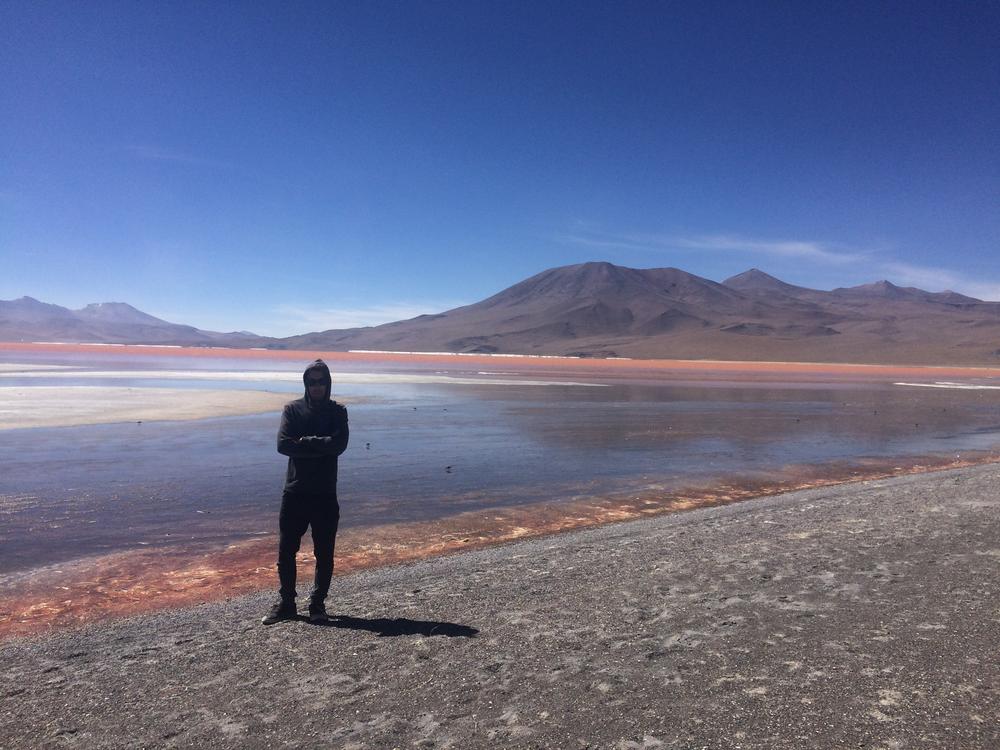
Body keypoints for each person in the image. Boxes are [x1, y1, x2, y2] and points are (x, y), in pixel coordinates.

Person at [262, 359, 349, 625]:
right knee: (286, 550)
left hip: (324, 494)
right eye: (312, 382)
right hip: (296, 492)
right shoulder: (292, 410)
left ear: (328, 383)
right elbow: (283, 446)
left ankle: (317, 604)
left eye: (321, 381)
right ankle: (287, 603)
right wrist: (322, 445)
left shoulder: (338, 412)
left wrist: (306, 442)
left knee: (324, 552)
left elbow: (339, 445)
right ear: (305, 383)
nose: (317, 387)